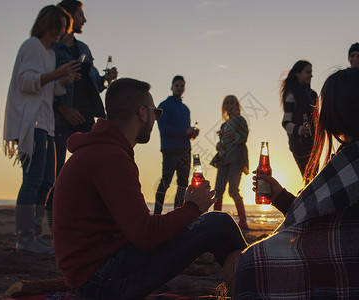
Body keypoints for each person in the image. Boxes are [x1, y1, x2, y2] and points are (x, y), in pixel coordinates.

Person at [234, 68, 359, 299]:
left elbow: (307, 212)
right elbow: (323, 211)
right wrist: (279, 195)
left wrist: (281, 200)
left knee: (250, 264)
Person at [53, 78, 247, 299]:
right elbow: (146, 234)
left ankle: (242, 288)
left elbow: (136, 229)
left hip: (94, 274)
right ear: (142, 113)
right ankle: (254, 289)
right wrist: (193, 208)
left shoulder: (102, 151)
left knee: (212, 225)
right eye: (156, 113)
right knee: (220, 224)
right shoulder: (110, 157)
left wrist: (186, 212)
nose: (156, 119)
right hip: (99, 282)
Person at [3, 5, 80, 254]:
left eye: (63, 30)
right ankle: (25, 239)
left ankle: (34, 236)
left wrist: (62, 80)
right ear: (46, 24)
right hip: (32, 121)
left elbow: (47, 88)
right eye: (57, 28)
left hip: (45, 123)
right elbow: (26, 82)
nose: (59, 34)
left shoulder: (47, 52)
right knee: (33, 179)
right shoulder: (33, 46)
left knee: (48, 179)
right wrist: (57, 73)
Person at [46, 0, 118, 231]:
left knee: (88, 174)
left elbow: (93, 84)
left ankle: (82, 224)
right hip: (59, 119)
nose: (84, 20)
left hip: (87, 119)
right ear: (68, 15)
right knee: (54, 176)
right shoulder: (52, 49)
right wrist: (63, 108)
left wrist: (106, 80)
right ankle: (52, 227)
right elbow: (44, 85)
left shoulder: (84, 48)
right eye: (81, 15)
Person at [154, 75, 199, 214]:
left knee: (183, 184)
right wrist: (184, 131)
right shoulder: (164, 105)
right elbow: (164, 129)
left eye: (181, 86)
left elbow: (186, 133)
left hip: (185, 149)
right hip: (170, 149)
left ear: (184, 88)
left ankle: (177, 214)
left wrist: (192, 133)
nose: (179, 88)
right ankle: (156, 213)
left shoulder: (186, 109)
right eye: (177, 85)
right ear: (172, 87)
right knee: (166, 181)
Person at [211, 95, 250, 230]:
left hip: (236, 159)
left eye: (232, 103)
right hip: (223, 159)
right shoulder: (223, 124)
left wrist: (232, 135)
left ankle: (243, 221)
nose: (229, 105)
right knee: (218, 191)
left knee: (233, 190)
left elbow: (244, 138)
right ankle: (216, 220)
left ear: (237, 105)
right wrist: (218, 146)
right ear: (224, 106)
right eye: (226, 103)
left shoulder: (240, 120)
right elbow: (222, 143)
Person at [280, 60, 318, 178]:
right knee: (309, 177)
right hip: (299, 144)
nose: (310, 75)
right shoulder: (291, 95)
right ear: (298, 74)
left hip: (314, 143)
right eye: (307, 72)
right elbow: (285, 122)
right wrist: (299, 129)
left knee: (314, 176)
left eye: (311, 72)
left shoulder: (313, 95)